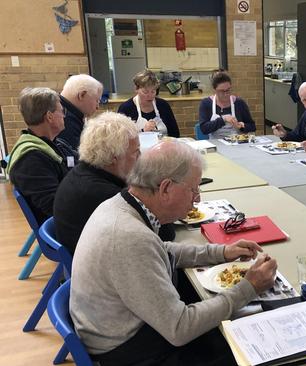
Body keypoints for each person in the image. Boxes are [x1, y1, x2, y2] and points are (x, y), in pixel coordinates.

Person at [70, 140, 278, 365]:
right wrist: (249, 288)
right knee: (246, 350)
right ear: (166, 188)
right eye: (193, 189)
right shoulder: (129, 238)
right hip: (127, 349)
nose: (197, 198)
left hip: (115, 328)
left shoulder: (120, 205)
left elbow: (160, 249)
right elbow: (180, 328)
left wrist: (222, 252)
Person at [54, 111, 178, 256]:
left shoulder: (85, 172)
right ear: (114, 157)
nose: (140, 157)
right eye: (136, 151)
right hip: (103, 268)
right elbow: (164, 234)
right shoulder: (106, 194)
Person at [8, 87, 69, 225]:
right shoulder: (31, 159)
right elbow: (54, 206)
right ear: (49, 116)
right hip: (63, 228)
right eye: (61, 111)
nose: (64, 116)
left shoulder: (52, 143)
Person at [117, 69, 180, 137]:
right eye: (145, 92)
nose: (150, 95)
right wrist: (143, 131)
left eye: (153, 91)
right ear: (136, 89)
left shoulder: (163, 105)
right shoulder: (126, 108)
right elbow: (121, 139)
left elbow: (175, 134)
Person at [198, 69, 255, 139]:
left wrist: (242, 126)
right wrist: (223, 119)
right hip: (216, 144)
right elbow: (204, 129)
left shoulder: (239, 103)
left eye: (228, 90)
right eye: (222, 91)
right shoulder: (206, 103)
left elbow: (252, 126)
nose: (226, 94)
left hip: (237, 145)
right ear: (214, 90)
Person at [57, 74, 103, 151]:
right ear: (82, 95)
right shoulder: (64, 119)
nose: (97, 107)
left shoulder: (65, 112)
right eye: (97, 101)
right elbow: (78, 158)